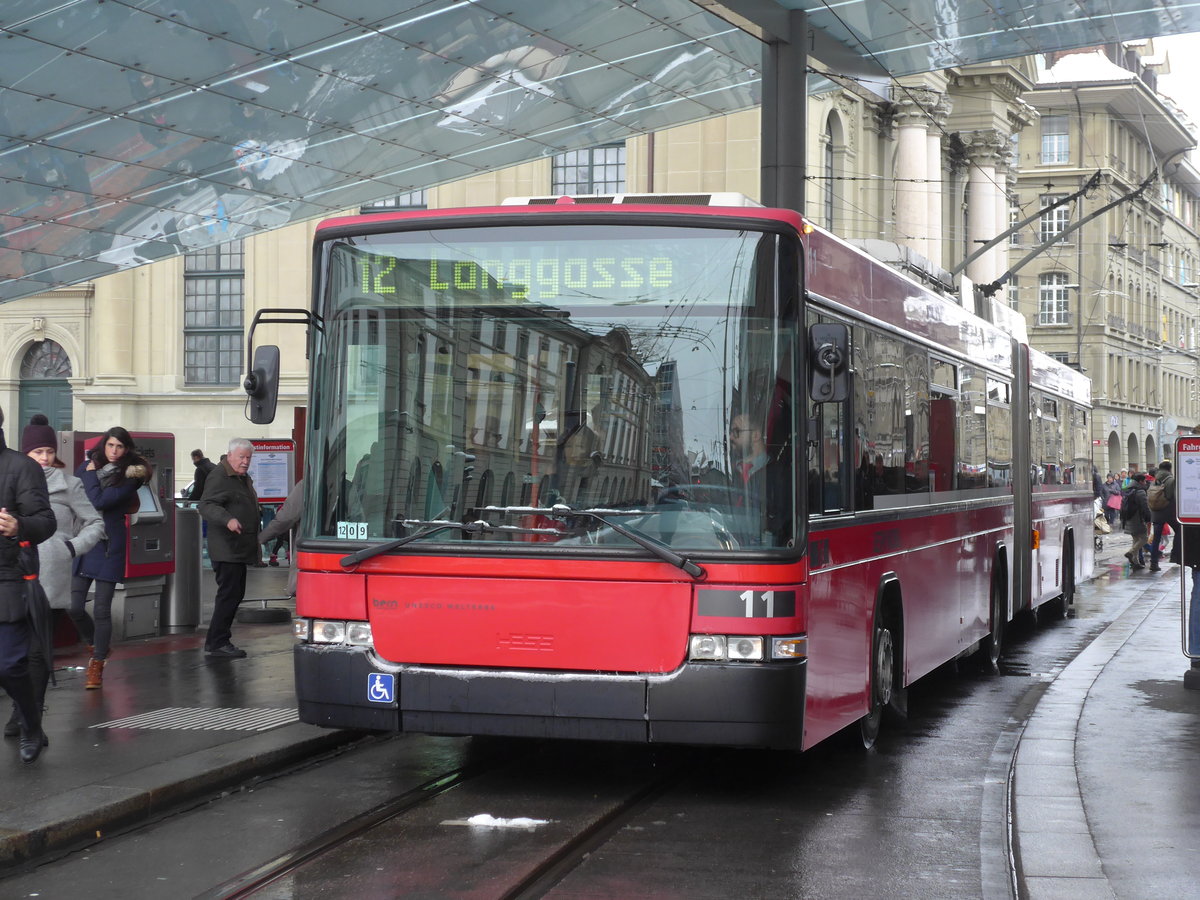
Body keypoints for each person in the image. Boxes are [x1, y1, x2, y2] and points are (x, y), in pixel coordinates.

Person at [5, 416, 103, 734]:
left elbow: (95, 523)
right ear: (25, 454)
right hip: (12, 575)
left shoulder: (69, 484)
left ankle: (29, 714)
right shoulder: (12, 476)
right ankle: (21, 709)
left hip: (49, 579)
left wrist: (71, 549)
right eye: (38, 452)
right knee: (14, 653)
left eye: (49, 451)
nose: (45, 458)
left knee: (37, 650)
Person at [72, 426, 152, 689]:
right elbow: (75, 493)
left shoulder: (131, 476)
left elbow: (99, 501)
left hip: (109, 544)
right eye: (110, 446)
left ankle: (96, 665)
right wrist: (90, 473)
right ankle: (99, 646)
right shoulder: (87, 468)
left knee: (102, 608)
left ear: (126, 449)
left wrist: (91, 474)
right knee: (73, 606)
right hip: (86, 540)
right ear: (103, 446)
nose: (115, 451)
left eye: (120, 447)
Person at [0, 406, 57, 762]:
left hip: (8, 578)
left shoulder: (22, 467)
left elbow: (45, 522)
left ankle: (31, 722)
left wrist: (18, 526)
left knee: (7, 664)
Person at [198, 439, 259, 658]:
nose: (245, 462)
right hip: (227, 548)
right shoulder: (220, 475)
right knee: (229, 594)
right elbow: (206, 505)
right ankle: (217, 642)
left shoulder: (240, 477)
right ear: (229, 455)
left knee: (233, 594)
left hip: (237, 548)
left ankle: (217, 640)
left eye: (248, 458)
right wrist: (228, 520)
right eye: (241, 457)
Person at [259, 479, 302, 595]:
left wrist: (260, 539)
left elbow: (286, 518)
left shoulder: (307, 485)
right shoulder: (346, 485)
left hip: (309, 551)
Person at [1148, 459, 1181, 572]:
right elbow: (1173, 496)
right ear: (1169, 468)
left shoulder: (1155, 479)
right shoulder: (1170, 480)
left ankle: (1153, 563)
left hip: (1156, 512)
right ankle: (1175, 555)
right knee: (1180, 530)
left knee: (1156, 538)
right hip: (1168, 511)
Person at [1119, 472, 1151, 571]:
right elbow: (1145, 506)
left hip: (1128, 518)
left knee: (1136, 540)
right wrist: (1149, 517)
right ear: (1140, 481)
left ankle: (1135, 562)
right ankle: (1131, 552)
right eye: (1144, 480)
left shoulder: (1128, 489)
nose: (1145, 482)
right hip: (1138, 518)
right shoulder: (1140, 491)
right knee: (1144, 539)